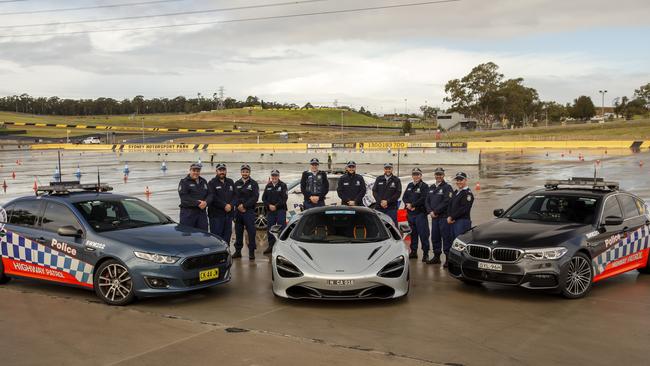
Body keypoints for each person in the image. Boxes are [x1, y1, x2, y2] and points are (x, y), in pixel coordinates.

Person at [425, 167, 454, 265]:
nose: (438, 176)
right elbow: (427, 201)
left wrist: (436, 211)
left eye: (440, 174)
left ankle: (448, 258)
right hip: (434, 218)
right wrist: (430, 211)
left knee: (446, 238)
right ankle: (437, 257)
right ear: (435, 175)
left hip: (443, 217)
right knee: (435, 237)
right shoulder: (431, 187)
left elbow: (447, 201)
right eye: (437, 174)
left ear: (443, 175)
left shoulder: (447, 187)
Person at [402, 168, 430, 261]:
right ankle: (413, 252)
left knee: (423, 234)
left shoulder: (424, 186)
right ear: (412, 175)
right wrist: (408, 205)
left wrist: (413, 205)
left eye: (418, 174)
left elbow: (424, 198)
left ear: (421, 175)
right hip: (411, 214)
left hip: (420, 214)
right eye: (414, 174)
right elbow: (404, 197)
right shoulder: (410, 185)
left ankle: (425, 254)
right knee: (413, 234)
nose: (416, 176)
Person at [447, 172, 474, 267]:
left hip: (462, 222)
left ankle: (462, 264)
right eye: (457, 180)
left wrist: (452, 217)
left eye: (461, 180)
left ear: (465, 180)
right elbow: (450, 205)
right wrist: (449, 216)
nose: (459, 182)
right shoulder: (456, 192)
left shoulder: (467, 194)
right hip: (453, 221)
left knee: (461, 244)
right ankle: (454, 262)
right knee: (453, 243)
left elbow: (463, 209)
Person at [233, 164, 259, 260]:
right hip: (238, 212)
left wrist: (244, 206)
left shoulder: (254, 184)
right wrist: (239, 206)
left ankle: (251, 252)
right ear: (241, 172)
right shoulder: (236, 183)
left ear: (249, 172)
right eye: (243, 171)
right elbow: (234, 197)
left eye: (247, 171)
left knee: (251, 232)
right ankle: (238, 251)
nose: (245, 173)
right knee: (238, 232)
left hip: (249, 211)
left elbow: (255, 197)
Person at [207, 163, 235, 245]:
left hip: (228, 215)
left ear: (226, 171)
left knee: (227, 238)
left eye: (223, 170)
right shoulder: (211, 183)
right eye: (220, 170)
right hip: (216, 216)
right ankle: (217, 256)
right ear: (216, 171)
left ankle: (226, 255)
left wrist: (231, 205)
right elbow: (213, 197)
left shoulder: (230, 182)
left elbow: (235, 196)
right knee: (217, 238)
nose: (222, 172)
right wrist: (224, 205)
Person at [262, 169, 288, 255]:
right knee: (270, 228)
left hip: (280, 210)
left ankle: (282, 246)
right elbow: (263, 198)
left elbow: (284, 199)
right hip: (271, 211)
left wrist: (275, 206)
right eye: (273, 175)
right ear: (271, 176)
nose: (274, 177)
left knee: (281, 228)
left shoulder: (283, 185)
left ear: (278, 176)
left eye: (276, 175)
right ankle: (271, 245)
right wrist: (269, 205)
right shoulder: (268, 185)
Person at [178, 162, 208, 230]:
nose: (196, 172)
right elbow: (184, 198)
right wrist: (198, 203)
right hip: (188, 214)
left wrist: (206, 202)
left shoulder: (203, 181)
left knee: (203, 235)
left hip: (201, 213)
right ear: (190, 170)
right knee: (187, 235)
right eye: (194, 170)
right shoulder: (184, 182)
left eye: (198, 171)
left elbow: (210, 194)